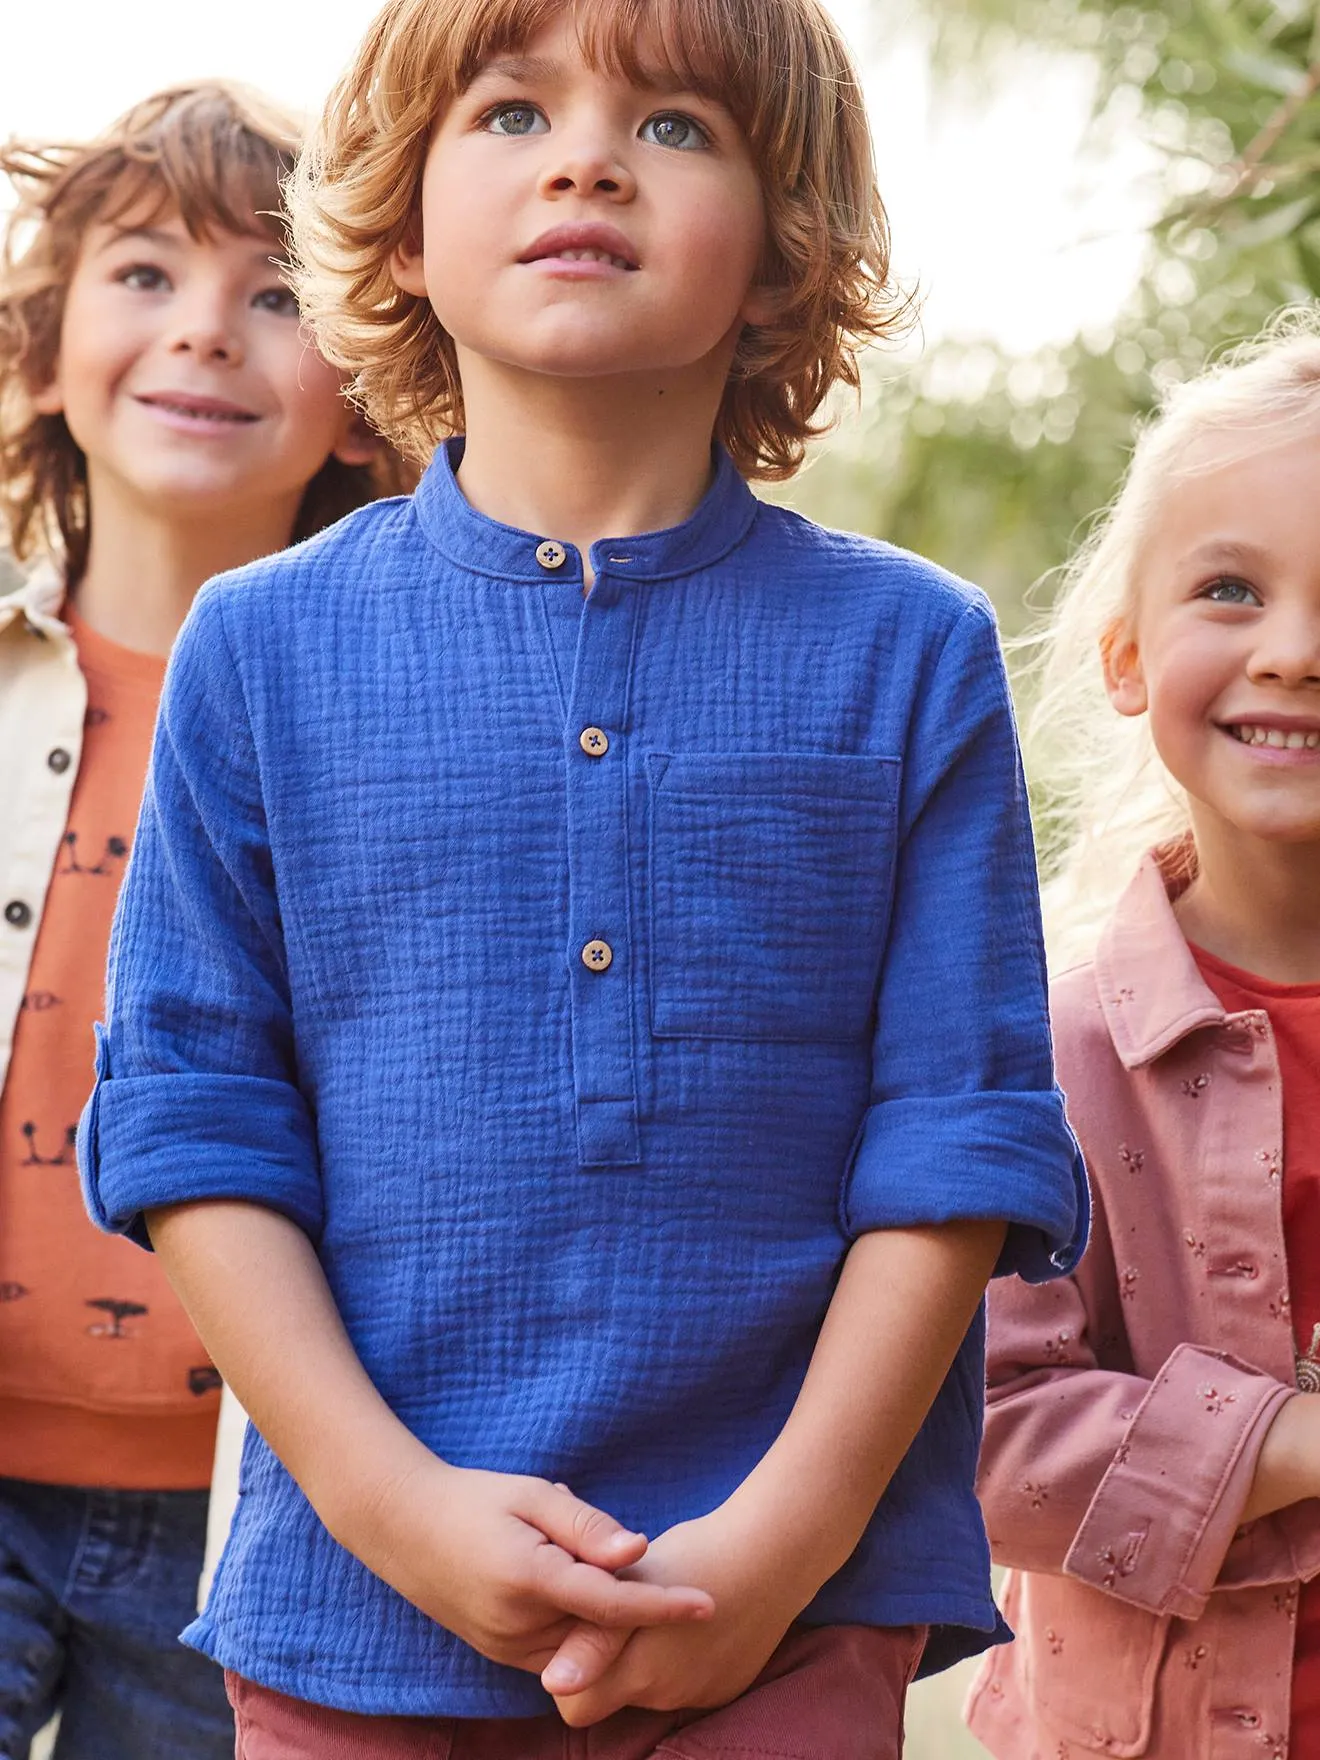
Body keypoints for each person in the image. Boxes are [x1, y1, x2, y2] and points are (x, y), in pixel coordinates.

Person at [78, 3, 1087, 1755]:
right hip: (351, 1617)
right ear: (398, 224)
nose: (589, 156)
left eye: (678, 125)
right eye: (512, 110)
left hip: (785, 1614)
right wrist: (395, 1509)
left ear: (785, 251)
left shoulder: (913, 651)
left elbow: (961, 1137)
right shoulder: (258, 652)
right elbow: (191, 1122)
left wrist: (772, 1553)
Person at [0, 82, 407, 1760]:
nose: (209, 336)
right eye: (148, 274)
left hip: (260, 1509)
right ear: (44, 354)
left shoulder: (395, 727)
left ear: (374, 397)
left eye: (279, 293)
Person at [965, 311, 1320, 1760]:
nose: (1295, 653)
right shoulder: (1047, 1045)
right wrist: (1294, 1447)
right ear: (1124, 658)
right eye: (1231, 591)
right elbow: (984, 1438)